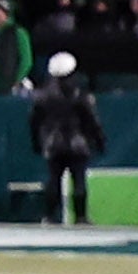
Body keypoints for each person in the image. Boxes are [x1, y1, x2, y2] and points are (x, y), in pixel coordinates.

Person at [33, 51, 104, 224]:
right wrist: (99, 140)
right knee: (78, 180)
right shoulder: (81, 95)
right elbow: (91, 120)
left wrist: (37, 142)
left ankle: (49, 216)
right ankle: (80, 217)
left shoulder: (43, 96)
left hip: (53, 143)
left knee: (54, 179)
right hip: (77, 143)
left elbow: (34, 121)